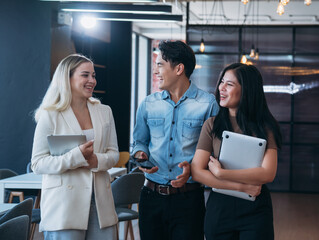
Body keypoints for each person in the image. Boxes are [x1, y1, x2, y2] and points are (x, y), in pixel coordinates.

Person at [132, 40, 219, 240]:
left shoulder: (208, 104)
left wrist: (193, 168)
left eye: (160, 64)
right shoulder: (148, 104)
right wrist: (140, 154)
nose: (155, 70)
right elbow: (139, 141)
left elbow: (215, 153)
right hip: (150, 196)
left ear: (179, 68)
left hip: (189, 199)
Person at [31, 54, 119, 240]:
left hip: (100, 202)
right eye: (85, 75)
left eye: (93, 75)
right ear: (67, 78)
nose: (92, 81)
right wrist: (76, 156)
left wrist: (96, 160)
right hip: (64, 205)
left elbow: (114, 154)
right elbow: (38, 164)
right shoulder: (50, 115)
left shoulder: (105, 111)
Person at [191, 63, 282, 240]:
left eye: (229, 84)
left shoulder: (266, 127)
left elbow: (267, 173)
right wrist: (239, 186)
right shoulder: (211, 125)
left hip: (255, 210)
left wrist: (221, 173)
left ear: (246, 90)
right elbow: (196, 171)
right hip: (220, 208)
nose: (221, 88)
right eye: (221, 82)